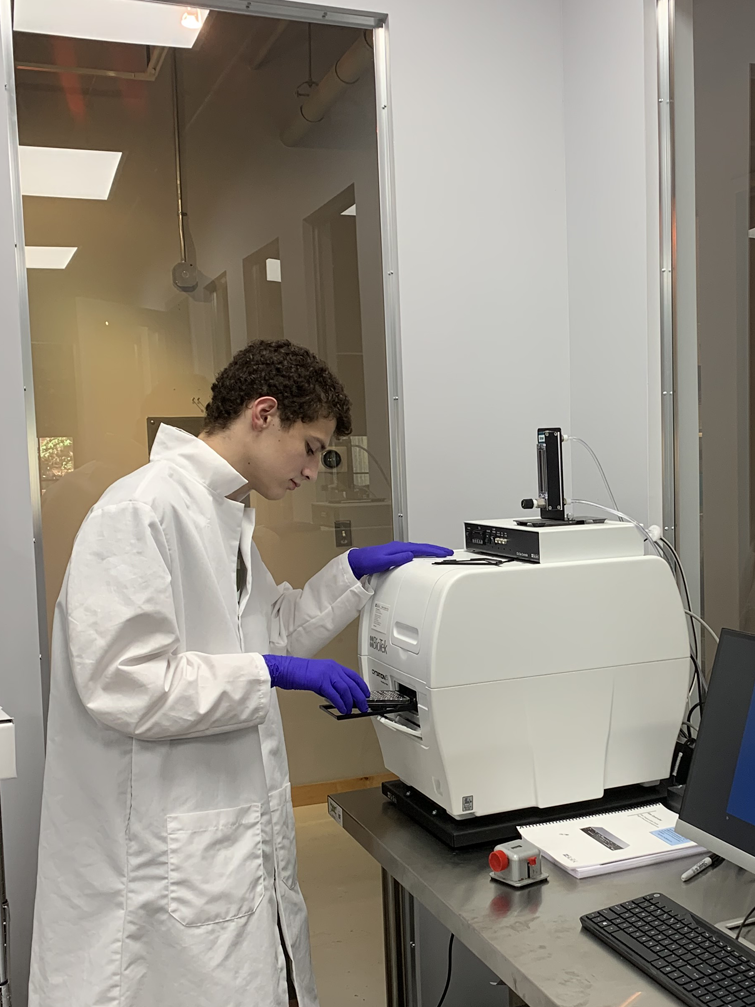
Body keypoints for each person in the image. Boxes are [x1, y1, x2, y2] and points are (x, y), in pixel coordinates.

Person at [29, 340, 452, 1007]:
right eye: (310, 448)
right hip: (154, 858)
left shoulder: (219, 512)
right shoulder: (140, 509)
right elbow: (126, 683)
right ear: (263, 413)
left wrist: (350, 574)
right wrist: (271, 671)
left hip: (211, 841)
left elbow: (267, 629)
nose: (313, 471)